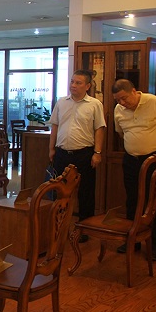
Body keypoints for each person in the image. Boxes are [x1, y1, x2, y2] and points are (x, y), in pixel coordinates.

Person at [112, 79, 156, 261]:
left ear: (134, 91)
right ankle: (133, 241)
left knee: (154, 201)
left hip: (154, 159)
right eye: (118, 100)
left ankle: (154, 246)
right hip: (131, 160)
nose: (122, 103)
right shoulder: (118, 110)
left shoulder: (154, 102)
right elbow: (121, 133)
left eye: (124, 98)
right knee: (132, 200)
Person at [49, 69, 106, 243]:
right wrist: (51, 149)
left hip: (84, 154)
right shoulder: (61, 102)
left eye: (78, 83)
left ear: (87, 86)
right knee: (60, 191)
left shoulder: (94, 104)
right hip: (62, 153)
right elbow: (55, 126)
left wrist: (97, 152)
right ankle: (59, 227)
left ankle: (84, 229)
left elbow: (99, 128)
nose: (73, 85)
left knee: (86, 192)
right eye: (72, 81)